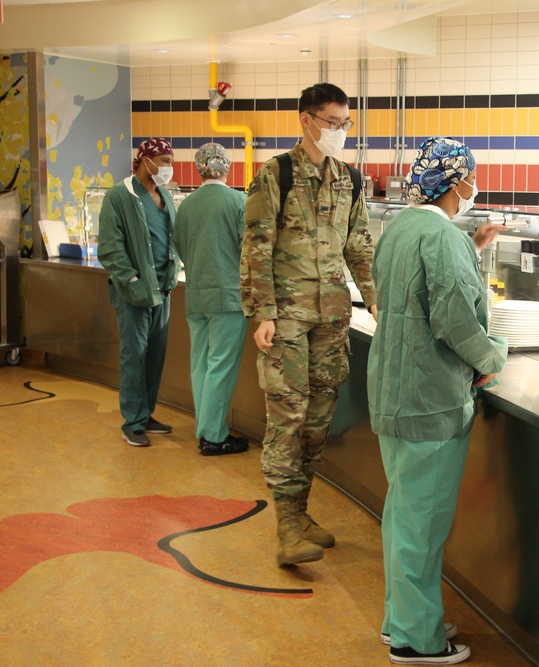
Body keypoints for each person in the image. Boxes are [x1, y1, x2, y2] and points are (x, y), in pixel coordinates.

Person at [368, 137, 507, 666]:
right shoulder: (441, 237)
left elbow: (417, 285)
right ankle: (414, 641)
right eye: (470, 177)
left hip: (395, 392)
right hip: (429, 400)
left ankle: (400, 617)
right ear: (455, 182)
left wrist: (471, 247)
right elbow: (453, 319)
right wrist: (492, 355)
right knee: (420, 525)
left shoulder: (402, 227)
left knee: (403, 515)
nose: (474, 186)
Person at [240, 83, 377, 566]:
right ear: (306, 120)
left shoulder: (349, 179)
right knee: (287, 419)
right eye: (331, 123)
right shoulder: (274, 173)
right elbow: (255, 246)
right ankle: (286, 527)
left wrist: (376, 302)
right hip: (288, 321)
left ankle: (301, 512)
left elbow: (359, 247)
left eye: (345, 124)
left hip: (332, 318)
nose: (339, 132)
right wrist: (263, 312)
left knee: (317, 423)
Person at [98, 137, 179, 447]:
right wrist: (130, 279)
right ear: (146, 161)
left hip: (163, 289)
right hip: (133, 291)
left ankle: (146, 415)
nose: (169, 168)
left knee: (155, 356)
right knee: (135, 354)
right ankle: (132, 421)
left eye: (171, 161)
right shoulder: (121, 196)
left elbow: (171, 238)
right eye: (165, 161)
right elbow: (109, 246)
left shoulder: (165, 197)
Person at [174, 143, 250, 456]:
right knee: (221, 365)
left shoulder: (186, 205)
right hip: (228, 297)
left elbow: (179, 246)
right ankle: (214, 436)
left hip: (195, 295)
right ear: (228, 168)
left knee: (200, 364)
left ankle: (204, 428)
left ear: (198, 168)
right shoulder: (239, 201)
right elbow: (250, 250)